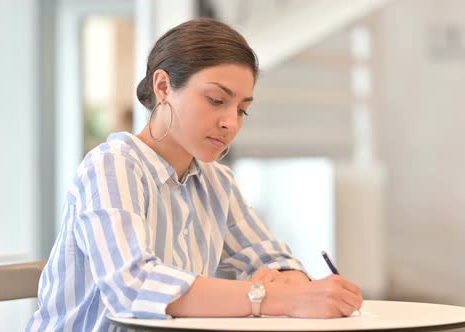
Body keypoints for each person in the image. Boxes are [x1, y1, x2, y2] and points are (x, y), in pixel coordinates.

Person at [26, 17, 362, 331]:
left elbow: (273, 259)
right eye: (216, 100)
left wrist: (292, 283)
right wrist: (277, 298)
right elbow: (133, 288)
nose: (231, 122)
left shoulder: (217, 181)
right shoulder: (112, 166)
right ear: (163, 87)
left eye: (242, 109)